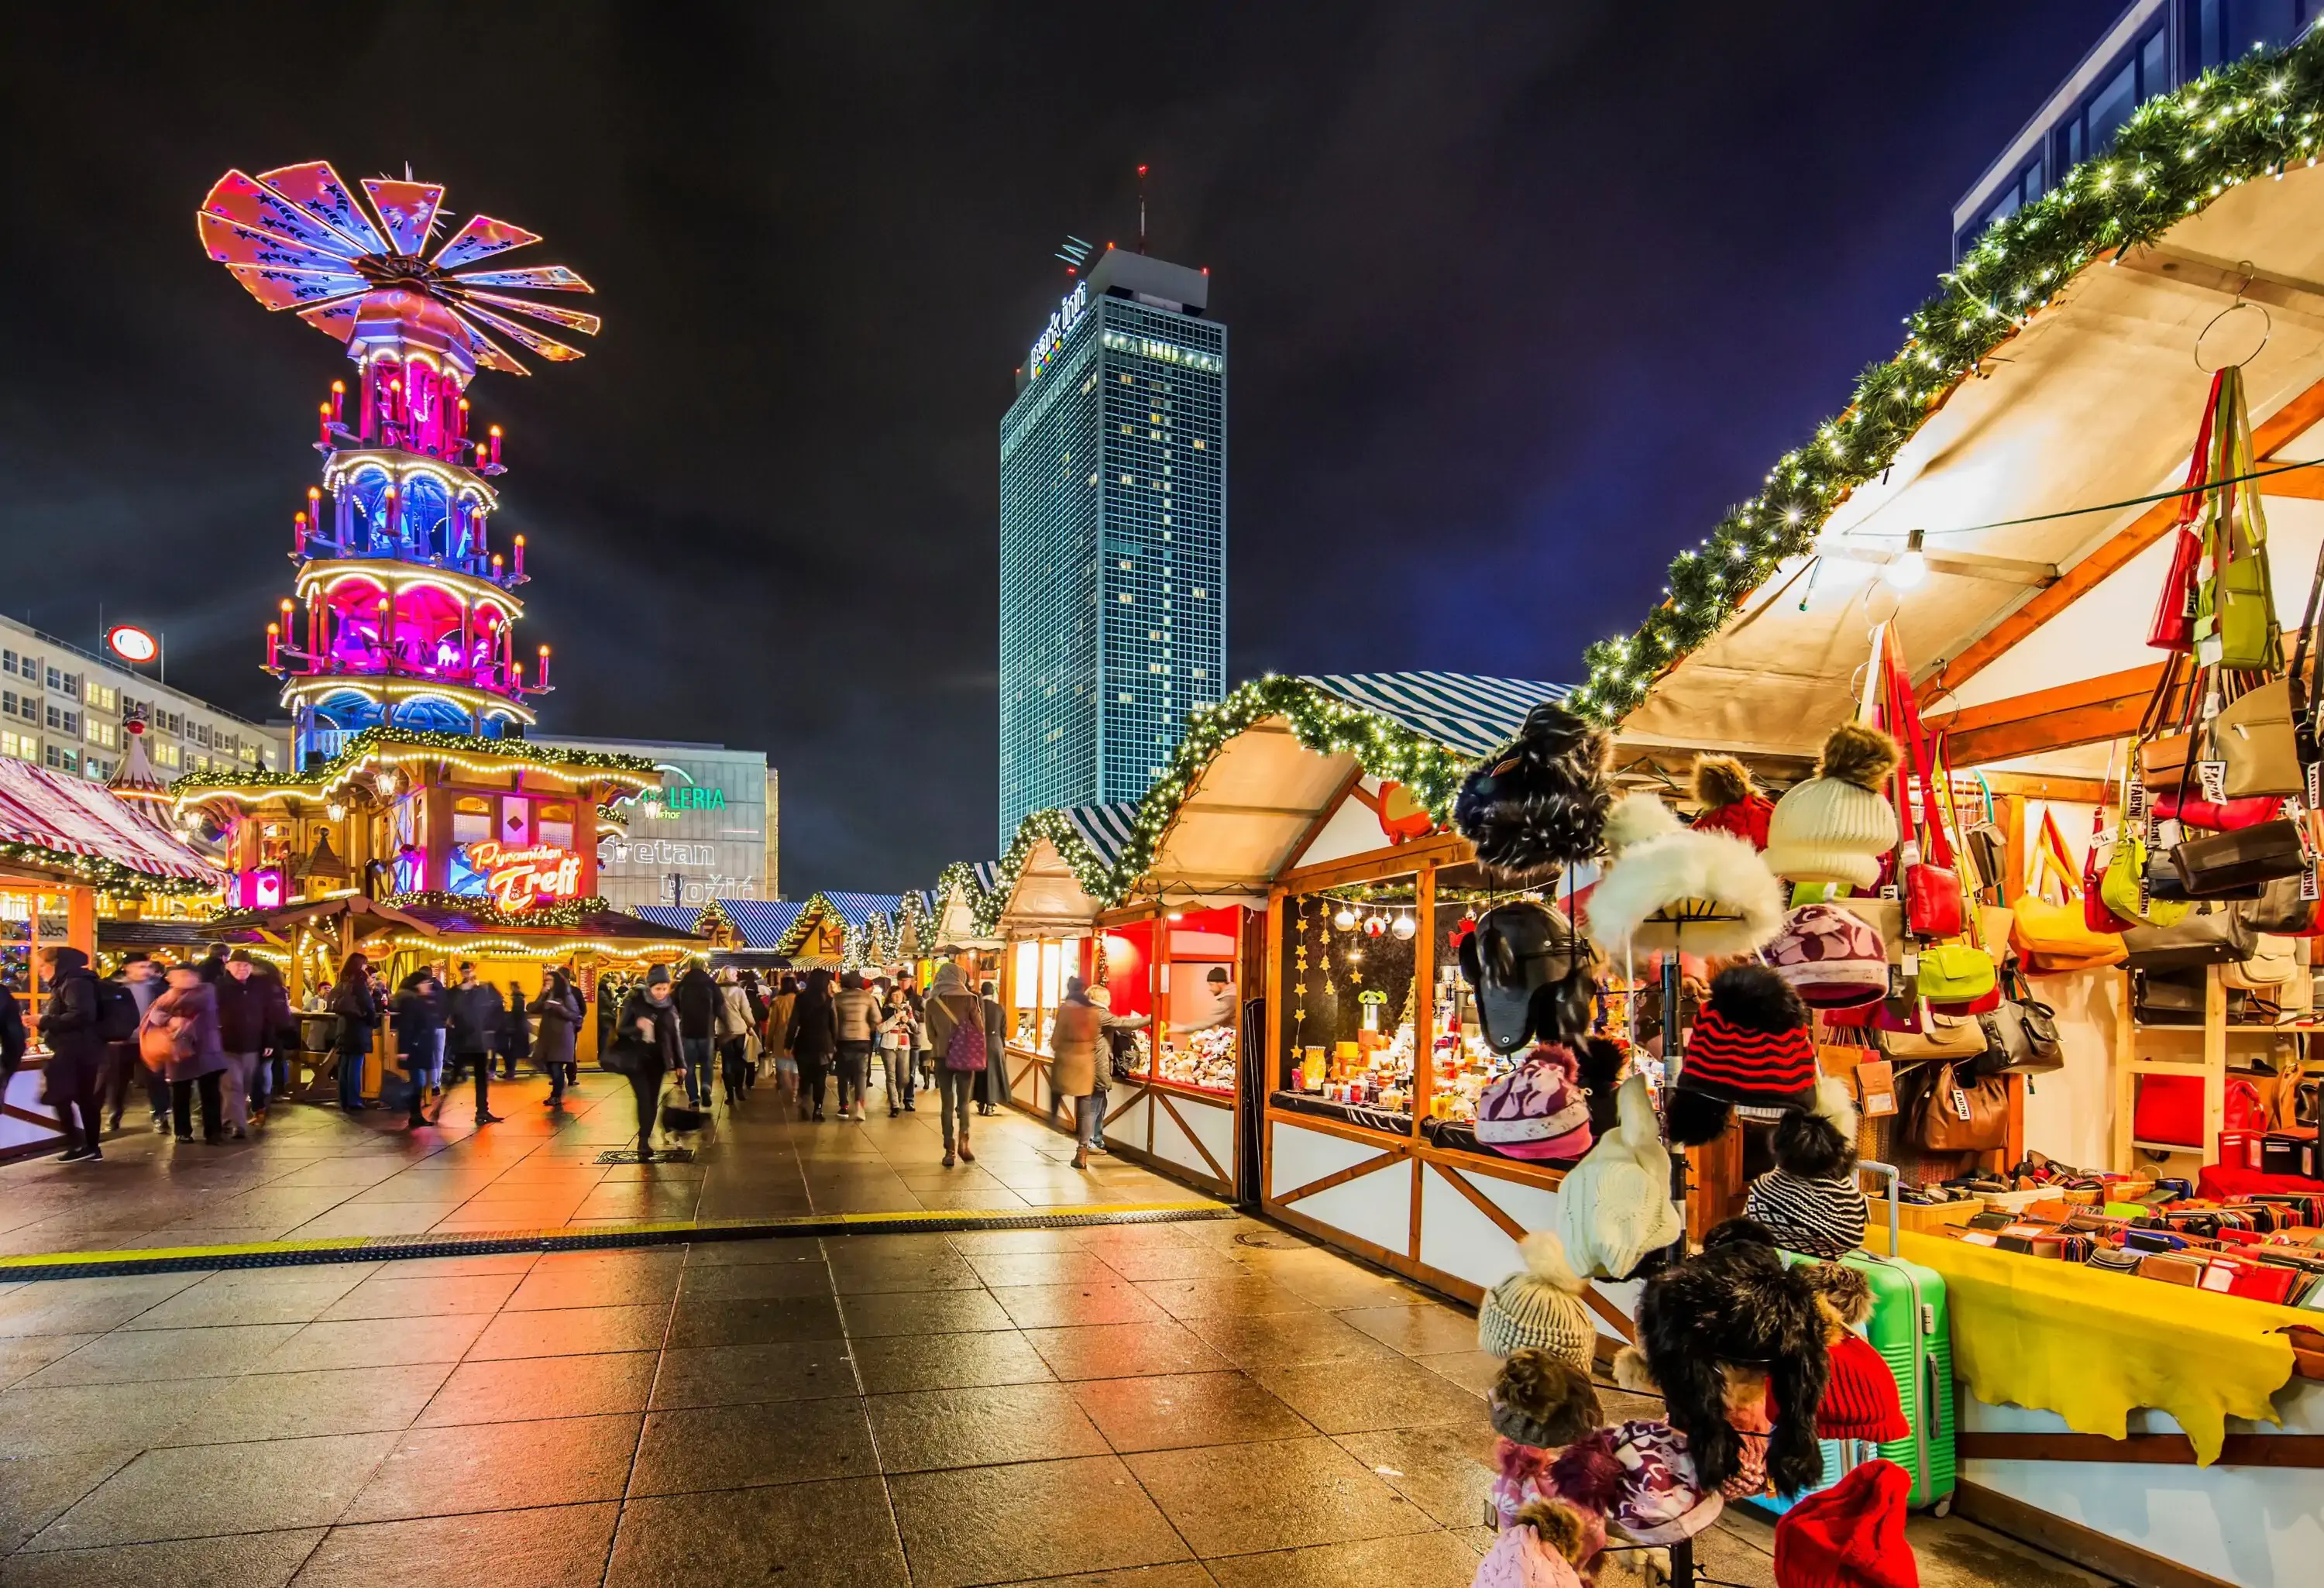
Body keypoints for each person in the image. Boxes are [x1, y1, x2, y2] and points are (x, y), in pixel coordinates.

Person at [36, 947, 107, 1160]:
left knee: (62, 1096)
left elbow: (81, 1015)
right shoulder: (72, 981)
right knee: (83, 1098)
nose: (40, 971)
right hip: (80, 1049)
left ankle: (81, 1145)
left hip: (76, 1051)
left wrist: (43, 1021)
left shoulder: (75, 982)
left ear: (56, 964)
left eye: (42, 966)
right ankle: (89, 1147)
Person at [146, 962, 226, 1143]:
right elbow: (154, 1015)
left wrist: (169, 1006)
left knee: (210, 1093)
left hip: (207, 1049)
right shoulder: (167, 997)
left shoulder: (207, 991)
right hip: (179, 1050)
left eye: (188, 975)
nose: (184, 980)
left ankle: (214, 1133)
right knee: (181, 1093)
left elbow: (192, 1002)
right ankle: (182, 1131)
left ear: (197, 977)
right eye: (178, 976)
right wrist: (172, 1018)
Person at [213, 950, 284, 1139]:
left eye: (246, 965)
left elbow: (269, 1016)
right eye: (238, 965)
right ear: (228, 966)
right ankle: (239, 1124)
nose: (242, 969)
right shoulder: (219, 987)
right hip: (226, 1044)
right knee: (232, 1084)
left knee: (244, 1085)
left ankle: (227, 1119)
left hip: (252, 1044)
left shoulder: (259, 987)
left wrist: (268, 1040)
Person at [610, 965, 682, 1155]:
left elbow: (674, 1036)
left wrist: (681, 1064)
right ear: (649, 987)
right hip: (637, 1059)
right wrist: (638, 1027)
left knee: (652, 1100)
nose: (661, 993)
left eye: (665, 989)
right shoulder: (635, 1002)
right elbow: (621, 1029)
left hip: (658, 1060)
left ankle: (645, 1135)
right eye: (658, 989)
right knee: (644, 1098)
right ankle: (643, 1140)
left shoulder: (669, 1007)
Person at [923, 963, 985, 1167]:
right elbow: (980, 1028)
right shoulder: (970, 1000)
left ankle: (949, 1149)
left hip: (942, 1057)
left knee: (946, 1103)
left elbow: (930, 1034)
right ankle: (964, 1142)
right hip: (965, 1056)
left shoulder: (933, 1002)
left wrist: (943, 1043)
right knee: (964, 1102)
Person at [105, 954, 171, 1132]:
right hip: (122, 1041)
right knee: (118, 1081)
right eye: (141, 966)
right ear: (127, 967)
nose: (146, 971)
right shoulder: (112, 987)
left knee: (156, 1079)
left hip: (151, 1040)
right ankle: (115, 1113)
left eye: (148, 966)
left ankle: (160, 1115)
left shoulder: (159, 987)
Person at [1047, 978, 1106, 1170]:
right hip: (1085, 1063)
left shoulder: (1065, 1010)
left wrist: (1059, 1047)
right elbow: (1096, 1039)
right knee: (1086, 1108)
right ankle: (1082, 1152)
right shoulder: (1093, 1012)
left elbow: (1056, 1040)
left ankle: (1053, 1118)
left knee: (1056, 1090)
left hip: (1066, 1059)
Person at [442, 963, 504, 1125]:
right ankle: (479, 1111)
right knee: (459, 1076)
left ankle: (482, 1111)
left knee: (477, 1077)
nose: (467, 974)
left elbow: (497, 1004)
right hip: (467, 1040)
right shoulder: (458, 993)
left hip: (474, 1040)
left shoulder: (475, 991)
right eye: (466, 971)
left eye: (469, 971)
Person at [328, 954, 380, 1112]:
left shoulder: (343, 980)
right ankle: (354, 1101)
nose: (366, 968)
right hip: (358, 1027)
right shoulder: (359, 982)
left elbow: (331, 999)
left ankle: (344, 1099)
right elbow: (368, 1005)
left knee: (345, 1064)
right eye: (365, 964)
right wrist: (373, 1022)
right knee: (355, 1065)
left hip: (343, 1026)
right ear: (360, 965)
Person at [392, 970, 442, 1129]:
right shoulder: (412, 1001)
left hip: (422, 1046)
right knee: (417, 1082)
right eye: (425, 983)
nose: (428, 986)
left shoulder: (422, 1000)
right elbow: (407, 1026)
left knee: (418, 1082)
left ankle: (415, 1115)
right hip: (416, 1047)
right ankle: (413, 1113)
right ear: (417, 985)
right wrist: (404, 1048)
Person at [786, 968, 837, 1121]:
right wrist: (834, 1043)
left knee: (805, 1077)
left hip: (804, 1044)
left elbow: (793, 1023)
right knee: (820, 1078)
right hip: (823, 1045)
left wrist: (788, 1043)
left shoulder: (800, 999)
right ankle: (818, 1109)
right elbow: (834, 1024)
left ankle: (805, 1102)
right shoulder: (829, 1000)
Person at [530, 966, 585, 1105]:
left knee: (556, 1066)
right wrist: (542, 995)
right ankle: (558, 1085)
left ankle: (556, 1095)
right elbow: (532, 1008)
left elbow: (575, 1015)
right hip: (547, 1036)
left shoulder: (567, 995)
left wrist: (559, 1007)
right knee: (542, 1062)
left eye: (550, 980)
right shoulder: (546, 994)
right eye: (545, 980)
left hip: (562, 1036)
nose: (547, 982)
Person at [249, 957, 296, 1117]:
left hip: (266, 1032)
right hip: (275, 1033)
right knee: (267, 1067)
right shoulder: (278, 988)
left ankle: (262, 1101)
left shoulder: (260, 988)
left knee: (262, 1068)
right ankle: (268, 1097)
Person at [831, 969, 879, 1122]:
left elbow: (833, 1020)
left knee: (843, 1075)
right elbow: (877, 1018)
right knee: (861, 1074)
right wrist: (868, 1028)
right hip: (862, 1041)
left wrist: (837, 1034)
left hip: (843, 1041)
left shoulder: (837, 998)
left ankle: (844, 1106)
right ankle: (859, 1104)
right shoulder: (868, 997)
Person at [673, 961, 718, 1110]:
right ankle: (706, 1086)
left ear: (690, 967)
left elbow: (674, 1006)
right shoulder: (711, 985)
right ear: (705, 967)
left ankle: (693, 1098)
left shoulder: (682, 985)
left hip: (687, 1031)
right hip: (706, 1030)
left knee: (689, 1066)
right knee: (707, 1063)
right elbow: (720, 1005)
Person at [877, 983, 917, 1115]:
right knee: (891, 1077)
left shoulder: (908, 1009)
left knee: (905, 1077)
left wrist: (908, 1021)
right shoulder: (885, 1009)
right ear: (890, 997)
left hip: (904, 1045)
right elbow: (881, 1028)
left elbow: (915, 1028)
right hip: (888, 1045)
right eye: (894, 995)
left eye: (899, 994)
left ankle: (897, 1094)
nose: (898, 997)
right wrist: (895, 1018)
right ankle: (895, 1105)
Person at [715, 968, 753, 1106]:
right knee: (739, 1060)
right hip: (738, 1030)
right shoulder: (739, 991)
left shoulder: (716, 991)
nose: (736, 977)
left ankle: (730, 1095)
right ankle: (739, 1091)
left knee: (727, 1062)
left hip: (722, 1031)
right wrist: (750, 1023)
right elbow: (746, 1010)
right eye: (735, 974)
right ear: (729, 975)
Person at [762, 972, 798, 1105]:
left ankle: (789, 1092)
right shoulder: (799, 998)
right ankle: (795, 1091)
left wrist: (768, 1042)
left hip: (781, 1038)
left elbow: (772, 1024)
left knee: (783, 1069)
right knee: (795, 1067)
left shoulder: (778, 1001)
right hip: (797, 1037)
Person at [975, 978, 1006, 1115]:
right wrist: (1002, 1044)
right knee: (994, 1074)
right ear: (993, 992)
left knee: (980, 1075)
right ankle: (991, 1105)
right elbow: (1004, 1029)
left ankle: (981, 1102)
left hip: (979, 1043)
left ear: (982, 992)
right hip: (995, 1043)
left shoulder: (977, 1007)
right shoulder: (999, 1008)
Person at [498, 981, 530, 1081]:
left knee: (511, 1052)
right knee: (513, 1052)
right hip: (519, 1029)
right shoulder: (519, 998)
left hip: (516, 1029)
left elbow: (516, 1014)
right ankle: (510, 1071)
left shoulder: (518, 999)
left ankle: (510, 1072)